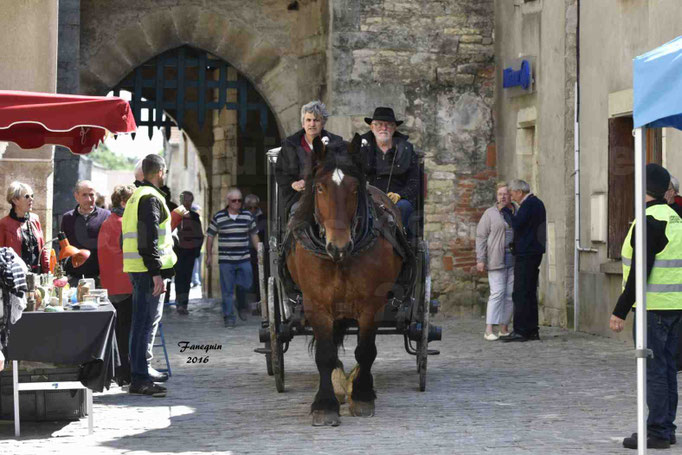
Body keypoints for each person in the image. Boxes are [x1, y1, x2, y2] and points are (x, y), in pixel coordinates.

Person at [610, 164, 682, 450]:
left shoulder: (648, 221)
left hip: (653, 307)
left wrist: (619, 311)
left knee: (654, 370)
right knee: (667, 370)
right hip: (676, 306)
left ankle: (658, 431)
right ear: (664, 189)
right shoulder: (676, 219)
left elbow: (640, 272)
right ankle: (667, 426)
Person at [122, 154, 177, 397]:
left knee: (141, 323)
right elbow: (148, 239)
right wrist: (156, 273)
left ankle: (141, 372)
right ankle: (140, 379)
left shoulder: (136, 196)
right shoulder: (150, 198)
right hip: (146, 271)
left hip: (138, 268)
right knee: (143, 324)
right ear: (161, 172)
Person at [275, 100, 342, 221]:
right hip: (299, 197)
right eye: (308, 120)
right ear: (303, 123)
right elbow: (280, 172)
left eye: (316, 120)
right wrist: (294, 184)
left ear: (323, 123)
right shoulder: (290, 144)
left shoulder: (336, 143)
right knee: (298, 213)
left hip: (330, 195)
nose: (312, 124)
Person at [98, 184, 136, 385]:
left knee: (118, 331)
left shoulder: (107, 222)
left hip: (111, 284)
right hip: (125, 284)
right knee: (126, 331)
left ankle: (119, 371)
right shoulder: (124, 223)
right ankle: (125, 372)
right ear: (123, 202)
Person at [499, 179, 546, 343]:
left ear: (519, 192)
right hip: (533, 251)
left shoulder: (529, 204)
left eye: (511, 193)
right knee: (529, 292)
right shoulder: (537, 203)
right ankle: (532, 330)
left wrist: (506, 212)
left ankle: (521, 330)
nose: (511, 196)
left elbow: (518, 224)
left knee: (520, 292)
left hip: (527, 253)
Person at [361, 107, 420, 235]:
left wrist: (400, 195)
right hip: (367, 198)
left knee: (404, 207)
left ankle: (399, 244)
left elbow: (414, 182)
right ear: (372, 127)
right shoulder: (361, 147)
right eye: (379, 124)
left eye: (388, 125)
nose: (384, 128)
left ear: (394, 128)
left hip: (397, 201)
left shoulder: (406, 150)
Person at [205, 188, 259, 328]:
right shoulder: (219, 217)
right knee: (227, 290)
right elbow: (210, 236)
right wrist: (209, 256)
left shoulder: (247, 216)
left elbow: (254, 234)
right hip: (226, 261)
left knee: (246, 284)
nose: (237, 203)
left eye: (239, 200)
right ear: (228, 201)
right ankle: (229, 317)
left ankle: (240, 305)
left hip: (244, 258)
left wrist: (260, 253)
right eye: (234, 200)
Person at [476, 182, 515, 341]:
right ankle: (489, 329)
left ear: (510, 195)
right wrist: (480, 259)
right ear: (496, 196)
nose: (503, 196)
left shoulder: (516, 211)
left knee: (509, 294)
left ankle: (504, 327)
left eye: (505, 193)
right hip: (496, 257)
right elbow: (481, 237)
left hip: (513, 258)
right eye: (500, 194)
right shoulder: (490, 213)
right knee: (497, 293)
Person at [60, 180, 111, 286]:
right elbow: (63, 248)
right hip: (74, 278)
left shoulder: (106, 216)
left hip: (99, 279)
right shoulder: (68, 218)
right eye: (84, 195)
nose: (89, 199)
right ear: (76, 196)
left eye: (92, 195)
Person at [0, 181, 48, 274]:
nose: (31, 199)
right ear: (15, 200)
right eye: (27, 196)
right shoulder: (4, 224)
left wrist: (47, 272)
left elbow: (43, 248)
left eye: (32, 196)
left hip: (37, 274)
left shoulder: (35, 219)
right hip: (16, 277)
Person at [173, 191, 203, 315]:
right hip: (177, 252)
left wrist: (197, 251)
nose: (187, 203)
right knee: (179, 278)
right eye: (185, 200)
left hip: (190, 252)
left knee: (187, 279)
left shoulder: (195, 217)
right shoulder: (175, 215)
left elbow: (199, 235)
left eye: (189, 201)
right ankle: (179, 302)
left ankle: (183, 304)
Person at [245, 193, 267, 308]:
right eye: (250, 207)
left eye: (255, 207)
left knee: (258, 275)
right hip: (243, 250)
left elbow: (262, 233)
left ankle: (258, 300)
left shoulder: (262, 218)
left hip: (256, 250)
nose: (253, 210)